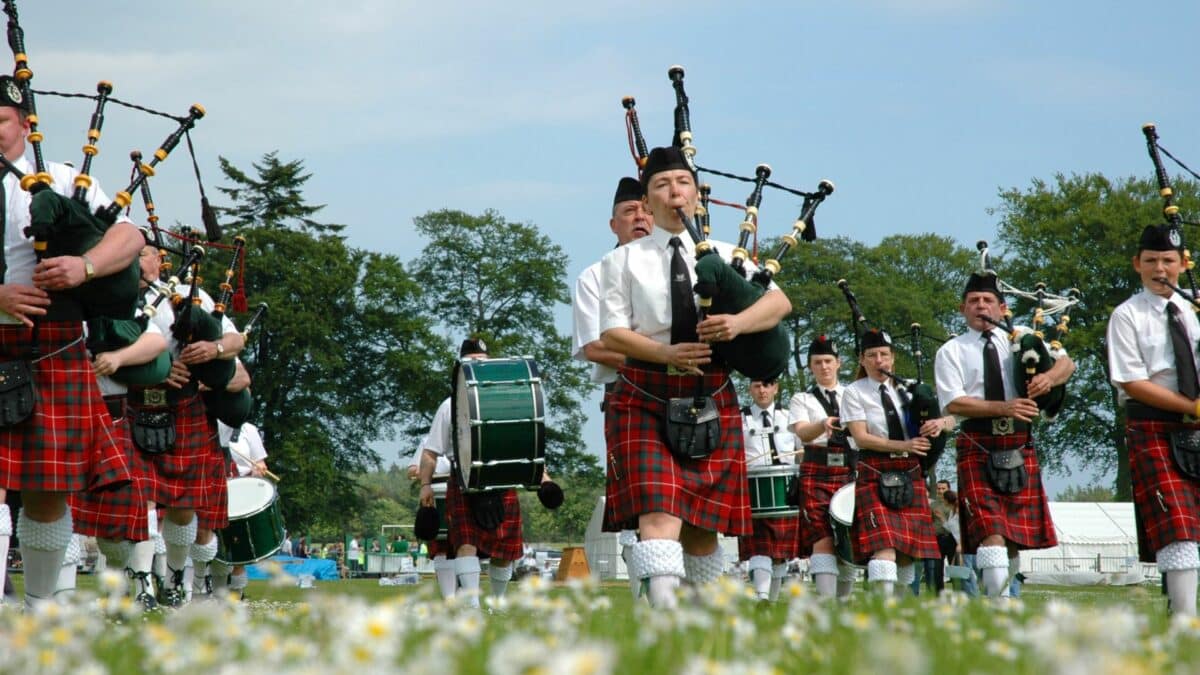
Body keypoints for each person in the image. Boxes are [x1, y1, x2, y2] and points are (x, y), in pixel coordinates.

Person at [598, 146, 792, 609]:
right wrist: (665, 352)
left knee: (704, 529)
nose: (674, 193)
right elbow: (612, 332)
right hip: (647, 392)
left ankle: (702, 622)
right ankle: (665, 617)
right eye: (662, 186)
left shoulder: (727, 255)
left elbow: (779, 304)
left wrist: (738, 324)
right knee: (659, 513)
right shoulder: (622, 262)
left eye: (682, 183)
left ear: (697, 197)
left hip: (712, 393)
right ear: (647, 202)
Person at [0, 77, 146, 608]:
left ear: (24, 125)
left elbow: (129, 237)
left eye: (0, 122)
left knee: (45, 493)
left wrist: (84, 266)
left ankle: (40, 609)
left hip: (52, 343)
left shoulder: (62, 178)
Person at [934, 271, 1072, 599]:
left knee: (1010, 537)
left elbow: (1068, 364)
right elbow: (954, 402)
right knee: (991, 532)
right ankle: (996, 605)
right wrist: (1006, 407)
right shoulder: (951, 351)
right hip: (978, 442)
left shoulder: (1021, 336)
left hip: (1019, 442)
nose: (981, 306)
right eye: (973, 301)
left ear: (1002, 306)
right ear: (962, 308)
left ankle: (1005, 602)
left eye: (988, 301)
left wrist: (1049, 378)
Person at [125, 242, 246, 606]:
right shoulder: (115, 300)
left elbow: (235, 340)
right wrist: (157, 370)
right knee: (139, 498)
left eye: (145, 251)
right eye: (133, 252)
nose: (140, 258)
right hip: (138, 403)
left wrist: (214, 351)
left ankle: (177, 577)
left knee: (183, 505)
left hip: (187, 408)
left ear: (159, 259)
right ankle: (143, 584)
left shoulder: (187, 295)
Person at [70, 243, 176, 609]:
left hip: (117, 408)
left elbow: (157, 340)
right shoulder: (69, 290)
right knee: (64, 501)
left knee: (132, 504)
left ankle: (141, 582)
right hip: (69, 401)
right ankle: (61, 594)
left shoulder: (133, 299)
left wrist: (117, 358)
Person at [417, 338, 558, 608]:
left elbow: (523, 444)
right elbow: (430, 451)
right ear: (462, 367)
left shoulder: (504, 401)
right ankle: (472, 606)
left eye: (483, 361)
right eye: (473, 362)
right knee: (465, 543)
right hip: (464, 482)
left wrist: (544, 479)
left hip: (501, 479)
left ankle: (497, 604)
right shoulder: (449, 406)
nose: (478, 366)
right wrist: (425, 485)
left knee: (504, 549)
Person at [1106, 223, 1200, 616]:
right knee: (1178, 529)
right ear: (1137, 265)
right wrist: (1191, 407)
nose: (1160, 269)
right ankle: (1183, 619)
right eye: (1151, 261)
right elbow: (1131, 380)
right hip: (1154, 427)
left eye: (1168, 260)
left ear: (1183, 263)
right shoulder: (1127, 316)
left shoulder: (1195, 309)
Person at [571, 176, 650, 599]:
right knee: (637, 511)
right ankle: (645, 602)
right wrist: (661, 358)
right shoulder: (594, 277)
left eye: (646, 211)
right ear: (613, 224)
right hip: (631, 396)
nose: (640, 218)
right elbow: (594, 346)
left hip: (692, 395)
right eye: (629, 213)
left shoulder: (687, 265)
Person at [842, 328, 952, 596]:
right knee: (885, 547)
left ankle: (900, 609)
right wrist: (904, 445)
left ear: (892, 358)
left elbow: (951, 417)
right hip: (875, 470)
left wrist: (940, 424)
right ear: (862, 360)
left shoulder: (913, 388)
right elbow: (860, 437)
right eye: (872, 355)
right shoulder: (854, 392)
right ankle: (883, 609)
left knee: (907, 552)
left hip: (910, 471)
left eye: (884, 354)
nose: (879, 360)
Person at [788, 335, 858, 600]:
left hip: (849, 468)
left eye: (828, 361)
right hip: (816, 469)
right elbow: (804, 433)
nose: (824, 367)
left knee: (849, 536)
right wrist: (823, 424)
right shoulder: (801, 399)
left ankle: (844, 602)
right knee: (822, 537)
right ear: (810, 366)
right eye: (817, 362)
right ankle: (827, 604)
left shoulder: (852, 395)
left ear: (838, 363)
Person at [737, 377, 798, 601]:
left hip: (785, 489)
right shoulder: (739, 419)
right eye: (757, 386)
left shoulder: (790, 416)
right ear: (750, 389)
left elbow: (801, 451)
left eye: (767, 385)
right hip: (752, 488)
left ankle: (770, 601)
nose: (762, 390)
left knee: (780, 552)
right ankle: (761, 596)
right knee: (759, 548)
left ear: (776, 388)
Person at [209, 420, 269, 600]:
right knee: (208, 545)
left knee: (237, 549)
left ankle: (236, 595)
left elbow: (260, 463)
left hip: (241, 491)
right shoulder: (204, 421)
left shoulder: (247, 429)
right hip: (211, 487)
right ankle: (202, 591)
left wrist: (259, 470)